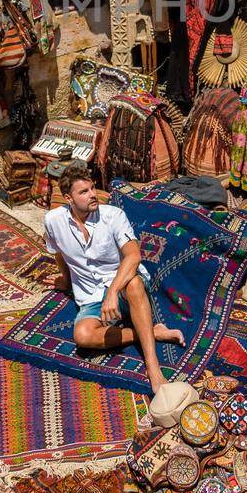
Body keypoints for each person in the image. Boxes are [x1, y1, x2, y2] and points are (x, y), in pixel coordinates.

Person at [43, 160, 184, 393]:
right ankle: (149, 331)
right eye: (83, 192)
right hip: (90, 296)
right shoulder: (53, 221)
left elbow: (133, 256)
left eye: (92, 188)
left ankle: (153, 367)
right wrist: (66, 281)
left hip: (123, 287)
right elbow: (58, 252)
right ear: (68, 198)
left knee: (135, 283)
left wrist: (112, 291)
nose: (92, 194)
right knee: (83, 336)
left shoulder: (113, 216)